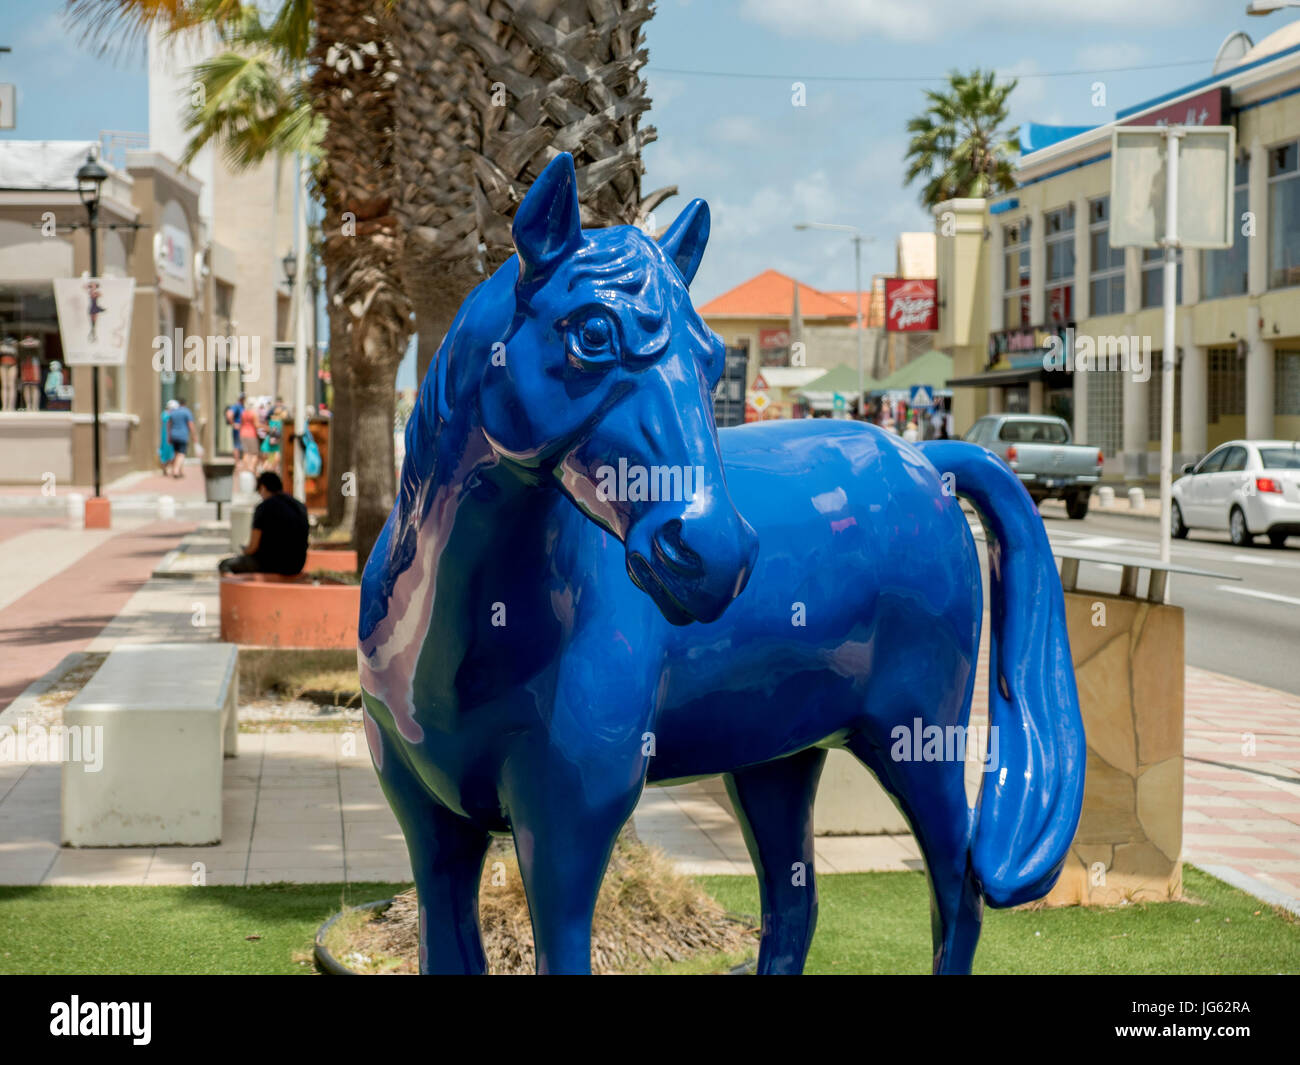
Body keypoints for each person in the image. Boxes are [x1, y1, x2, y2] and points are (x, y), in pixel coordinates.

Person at [218, 471, 308, 576]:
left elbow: (253, 547)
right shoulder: (299, 505)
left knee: (224, 565)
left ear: (263, 488)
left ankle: (235, 592)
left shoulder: (264, 507)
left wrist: (245, 550)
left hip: (270, 564)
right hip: (297, 564)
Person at [166, 396, 195, 477]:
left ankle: (180, 471)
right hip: (182, 435)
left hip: (173, 435)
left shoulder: (173, 412)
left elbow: (169, 424)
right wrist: (194, 435)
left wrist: (169, 436)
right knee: (181, 454)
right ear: (185, 404)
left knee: (176, 453)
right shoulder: (186, 412)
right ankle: (175, 471)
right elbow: (190, 424)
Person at [238, 401, 260, 474]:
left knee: (246, 453)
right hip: (251, 434)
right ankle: (252, 468)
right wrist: (267, 427)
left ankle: (246, 469)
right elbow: (256, 425)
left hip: (243, 434)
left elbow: (241, 424)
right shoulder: (253, 414)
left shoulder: (243, 413)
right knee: (254, 453)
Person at [226, 393, 245, 462]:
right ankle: (237, 463)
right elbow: (229, 414)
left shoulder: (242, 407)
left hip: (242, 430)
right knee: (237, 446)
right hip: (238, 430)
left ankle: (240, 462)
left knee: (241, 447)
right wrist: (234, 424)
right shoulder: (236, 406)